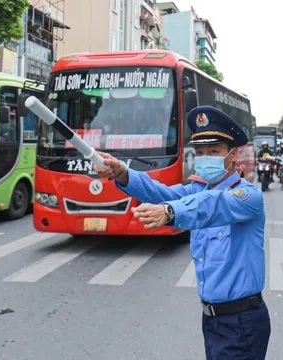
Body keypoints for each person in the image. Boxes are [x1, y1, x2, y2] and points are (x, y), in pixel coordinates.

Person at [94, 106, 271, 359]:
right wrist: (123, 173)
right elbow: (162, 193)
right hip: (213, 321)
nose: (205, 157)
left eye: (214, 151)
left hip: (241, 323)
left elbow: (213, 204)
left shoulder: (247, 196)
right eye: (200, 152)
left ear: (232, 156)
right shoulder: (197, 190)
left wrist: (170, 212)